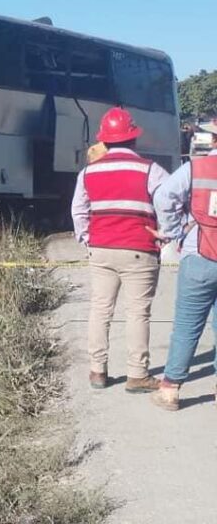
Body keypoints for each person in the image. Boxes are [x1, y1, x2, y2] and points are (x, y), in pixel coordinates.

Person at [71, 107, 169, 392]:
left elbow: (78, 210)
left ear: (105, 140)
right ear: (133, 139)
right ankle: (137, 374)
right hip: (139, 250)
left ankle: (97, 372)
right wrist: (163, 236)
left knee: (100, 310)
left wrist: (87, 238)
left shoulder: (88, 172)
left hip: (101, 249)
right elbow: (167, 205)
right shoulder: (151, 170)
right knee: (138, 312)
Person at [151, 132, 217, 411]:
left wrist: (174, 231)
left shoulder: (197, 167)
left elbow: (164, 196)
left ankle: (170, 389)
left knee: (187, 325)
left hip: (199, 255)